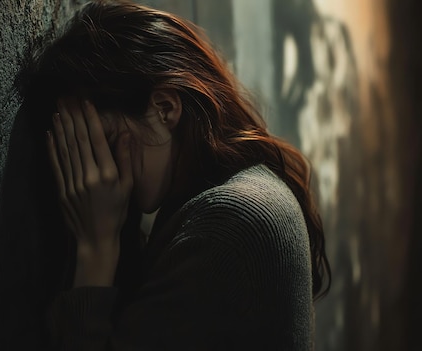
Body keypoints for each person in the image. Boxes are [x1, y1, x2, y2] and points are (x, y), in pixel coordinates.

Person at [23, 0, 331, 349]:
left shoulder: (230, 220)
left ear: (165, 108)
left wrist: (96, 246)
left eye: (103, 141)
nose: (93, 173)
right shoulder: (239, 193)